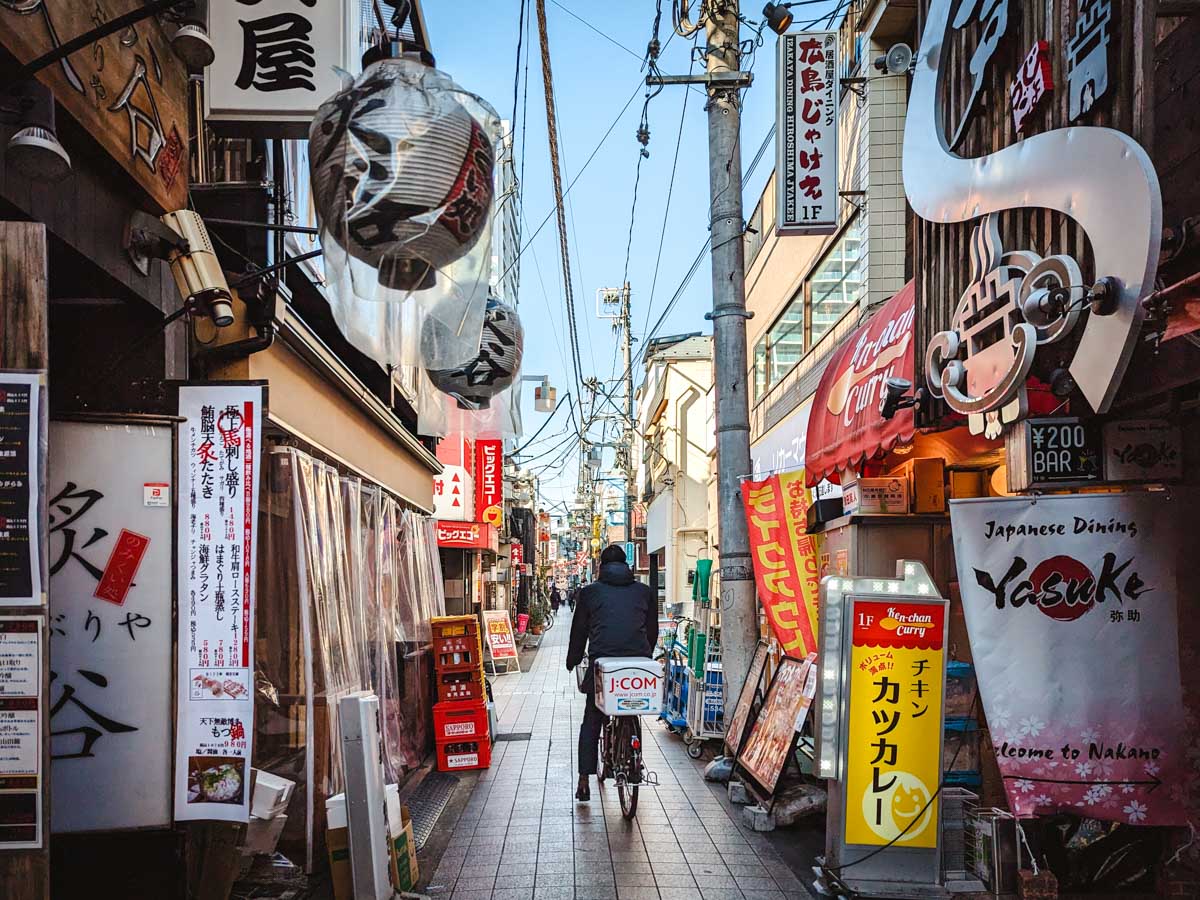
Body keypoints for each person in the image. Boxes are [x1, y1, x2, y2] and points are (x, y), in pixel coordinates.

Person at [565, 544, 657, 801]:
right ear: (627, 565)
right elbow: (652, 631)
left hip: (603, 665)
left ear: (601, 566)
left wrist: (572, 660)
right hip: (637, 664)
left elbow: (579, 632)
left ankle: (584, 781)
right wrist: (645, 656)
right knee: (632, 705)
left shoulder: (590, 593)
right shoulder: (644, 592)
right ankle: (633, 752)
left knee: (592, 719)